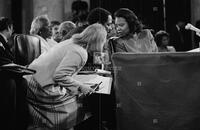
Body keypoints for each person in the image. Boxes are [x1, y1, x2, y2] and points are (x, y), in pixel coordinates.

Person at [25, 23, 107, 130]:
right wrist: (81, 87)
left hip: (31, 81)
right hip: (41, 89)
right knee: (86, 103)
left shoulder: (72, 42)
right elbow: (59, 76)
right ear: (98, 41)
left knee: (82, 98)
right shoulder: (80, 52)